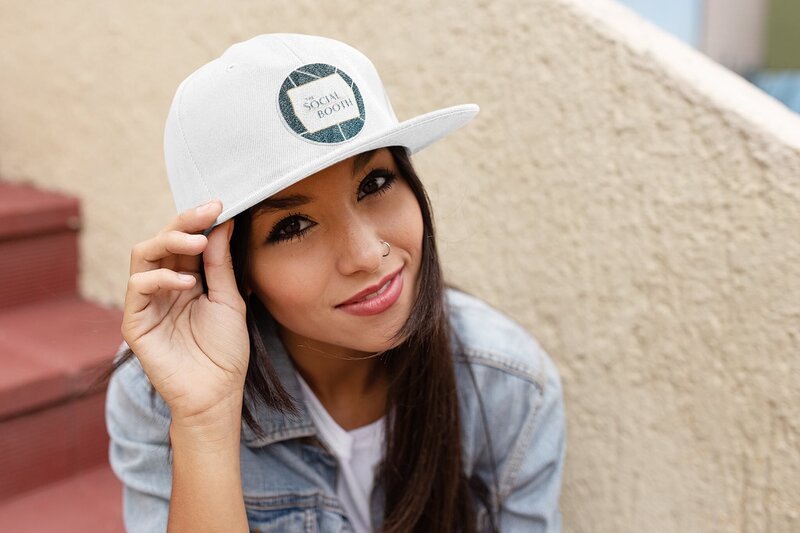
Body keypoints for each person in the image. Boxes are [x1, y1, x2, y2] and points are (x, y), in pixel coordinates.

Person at [104, 33, 566, 532]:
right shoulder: (164, 398)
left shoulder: (506, 384)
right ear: (231, 268)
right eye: (293, 227)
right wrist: (204, 425)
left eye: (375, 183)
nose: (367, 255)